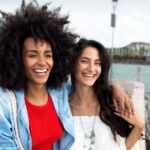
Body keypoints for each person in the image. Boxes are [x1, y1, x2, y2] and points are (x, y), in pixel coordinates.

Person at [0, 0, 135, 149]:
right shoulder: (5, 104)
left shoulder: (60, 93)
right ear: (17, 59)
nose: (42, 62)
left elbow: (85, 84)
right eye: (32, 55)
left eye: (48, 55)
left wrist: (115, 87)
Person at [68, 38, 145, 150]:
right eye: (84, 61)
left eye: (97, 63)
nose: (91, 68)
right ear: (73, 64)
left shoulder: (112, 103)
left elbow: (122, 147)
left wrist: (140, 126)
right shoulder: (62, 106)